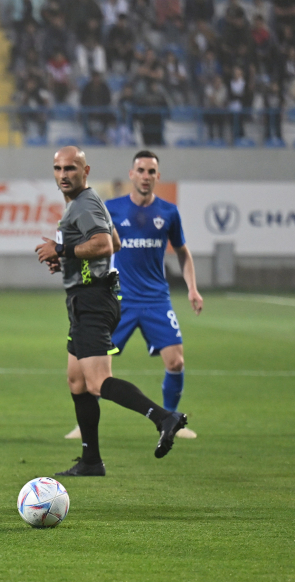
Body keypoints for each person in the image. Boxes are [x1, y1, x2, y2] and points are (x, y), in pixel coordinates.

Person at [35, 146, 188, 477]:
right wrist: (66, 258)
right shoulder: (84, 204)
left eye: (71, 169)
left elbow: (104, 244)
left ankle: (164, 417)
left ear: (85, 171)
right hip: (84, 299)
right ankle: (91, 461)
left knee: (97, 381)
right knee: (76, 381)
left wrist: (61, 248)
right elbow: (116, 241)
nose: (63, 174)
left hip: (92, 300)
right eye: (58, 168)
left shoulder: (85, 203)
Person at [63, 151, 202, 442]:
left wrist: (192, 288)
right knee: (93, 370)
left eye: (151, 171)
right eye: (141, 170)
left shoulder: (168, 213)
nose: (146, 176)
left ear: (157, 177)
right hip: (119, 300)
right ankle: (84, 425)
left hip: (156, 300)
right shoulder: (111, 208)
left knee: (176, 361)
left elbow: (183, 253)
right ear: (132, 174)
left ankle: (173, 419)